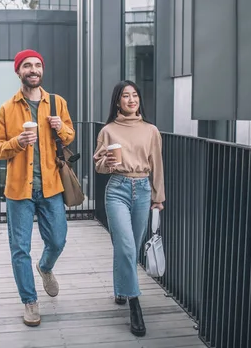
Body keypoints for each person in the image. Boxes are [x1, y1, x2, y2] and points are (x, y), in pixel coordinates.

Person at [0, 49, 75, 327]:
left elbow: (70, 135)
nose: (33, 69)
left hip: (51, 187)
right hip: (19, 191)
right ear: (19, 71)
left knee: (58, 240)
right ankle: (29, 300)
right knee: (20, 249)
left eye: (38, 65)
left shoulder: (57, 103)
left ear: (42, 70)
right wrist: (18, 142)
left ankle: (46, 267)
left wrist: (60, 127)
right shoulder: (7, 108)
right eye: (27, 65)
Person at [93, 80, 165, 337]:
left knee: (131, 249)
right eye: (126, 96)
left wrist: (159, 196)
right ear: (117, 101)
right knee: (124, 245)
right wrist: (109, 163)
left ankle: (120, 289)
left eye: (135, 95)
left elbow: (157, 164)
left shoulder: (151, 130)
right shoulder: (108, 130)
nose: (131, 99)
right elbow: (99, 165)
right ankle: (134, 303)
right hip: (117, 190)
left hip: (143, 190)